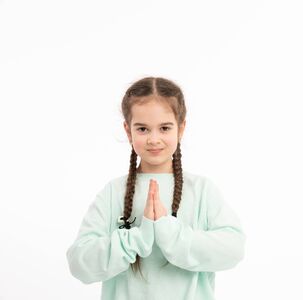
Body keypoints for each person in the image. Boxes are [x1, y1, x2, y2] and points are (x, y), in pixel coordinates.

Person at [66, 76, 246, 300]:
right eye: (142, 129)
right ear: (127, 129)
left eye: (164, 128)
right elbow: (80, 263)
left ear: (181, 128)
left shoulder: (202, 190)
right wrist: (136, 239)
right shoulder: (114, 192)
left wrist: (171, 233)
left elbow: (233, 249)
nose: (154, 139)